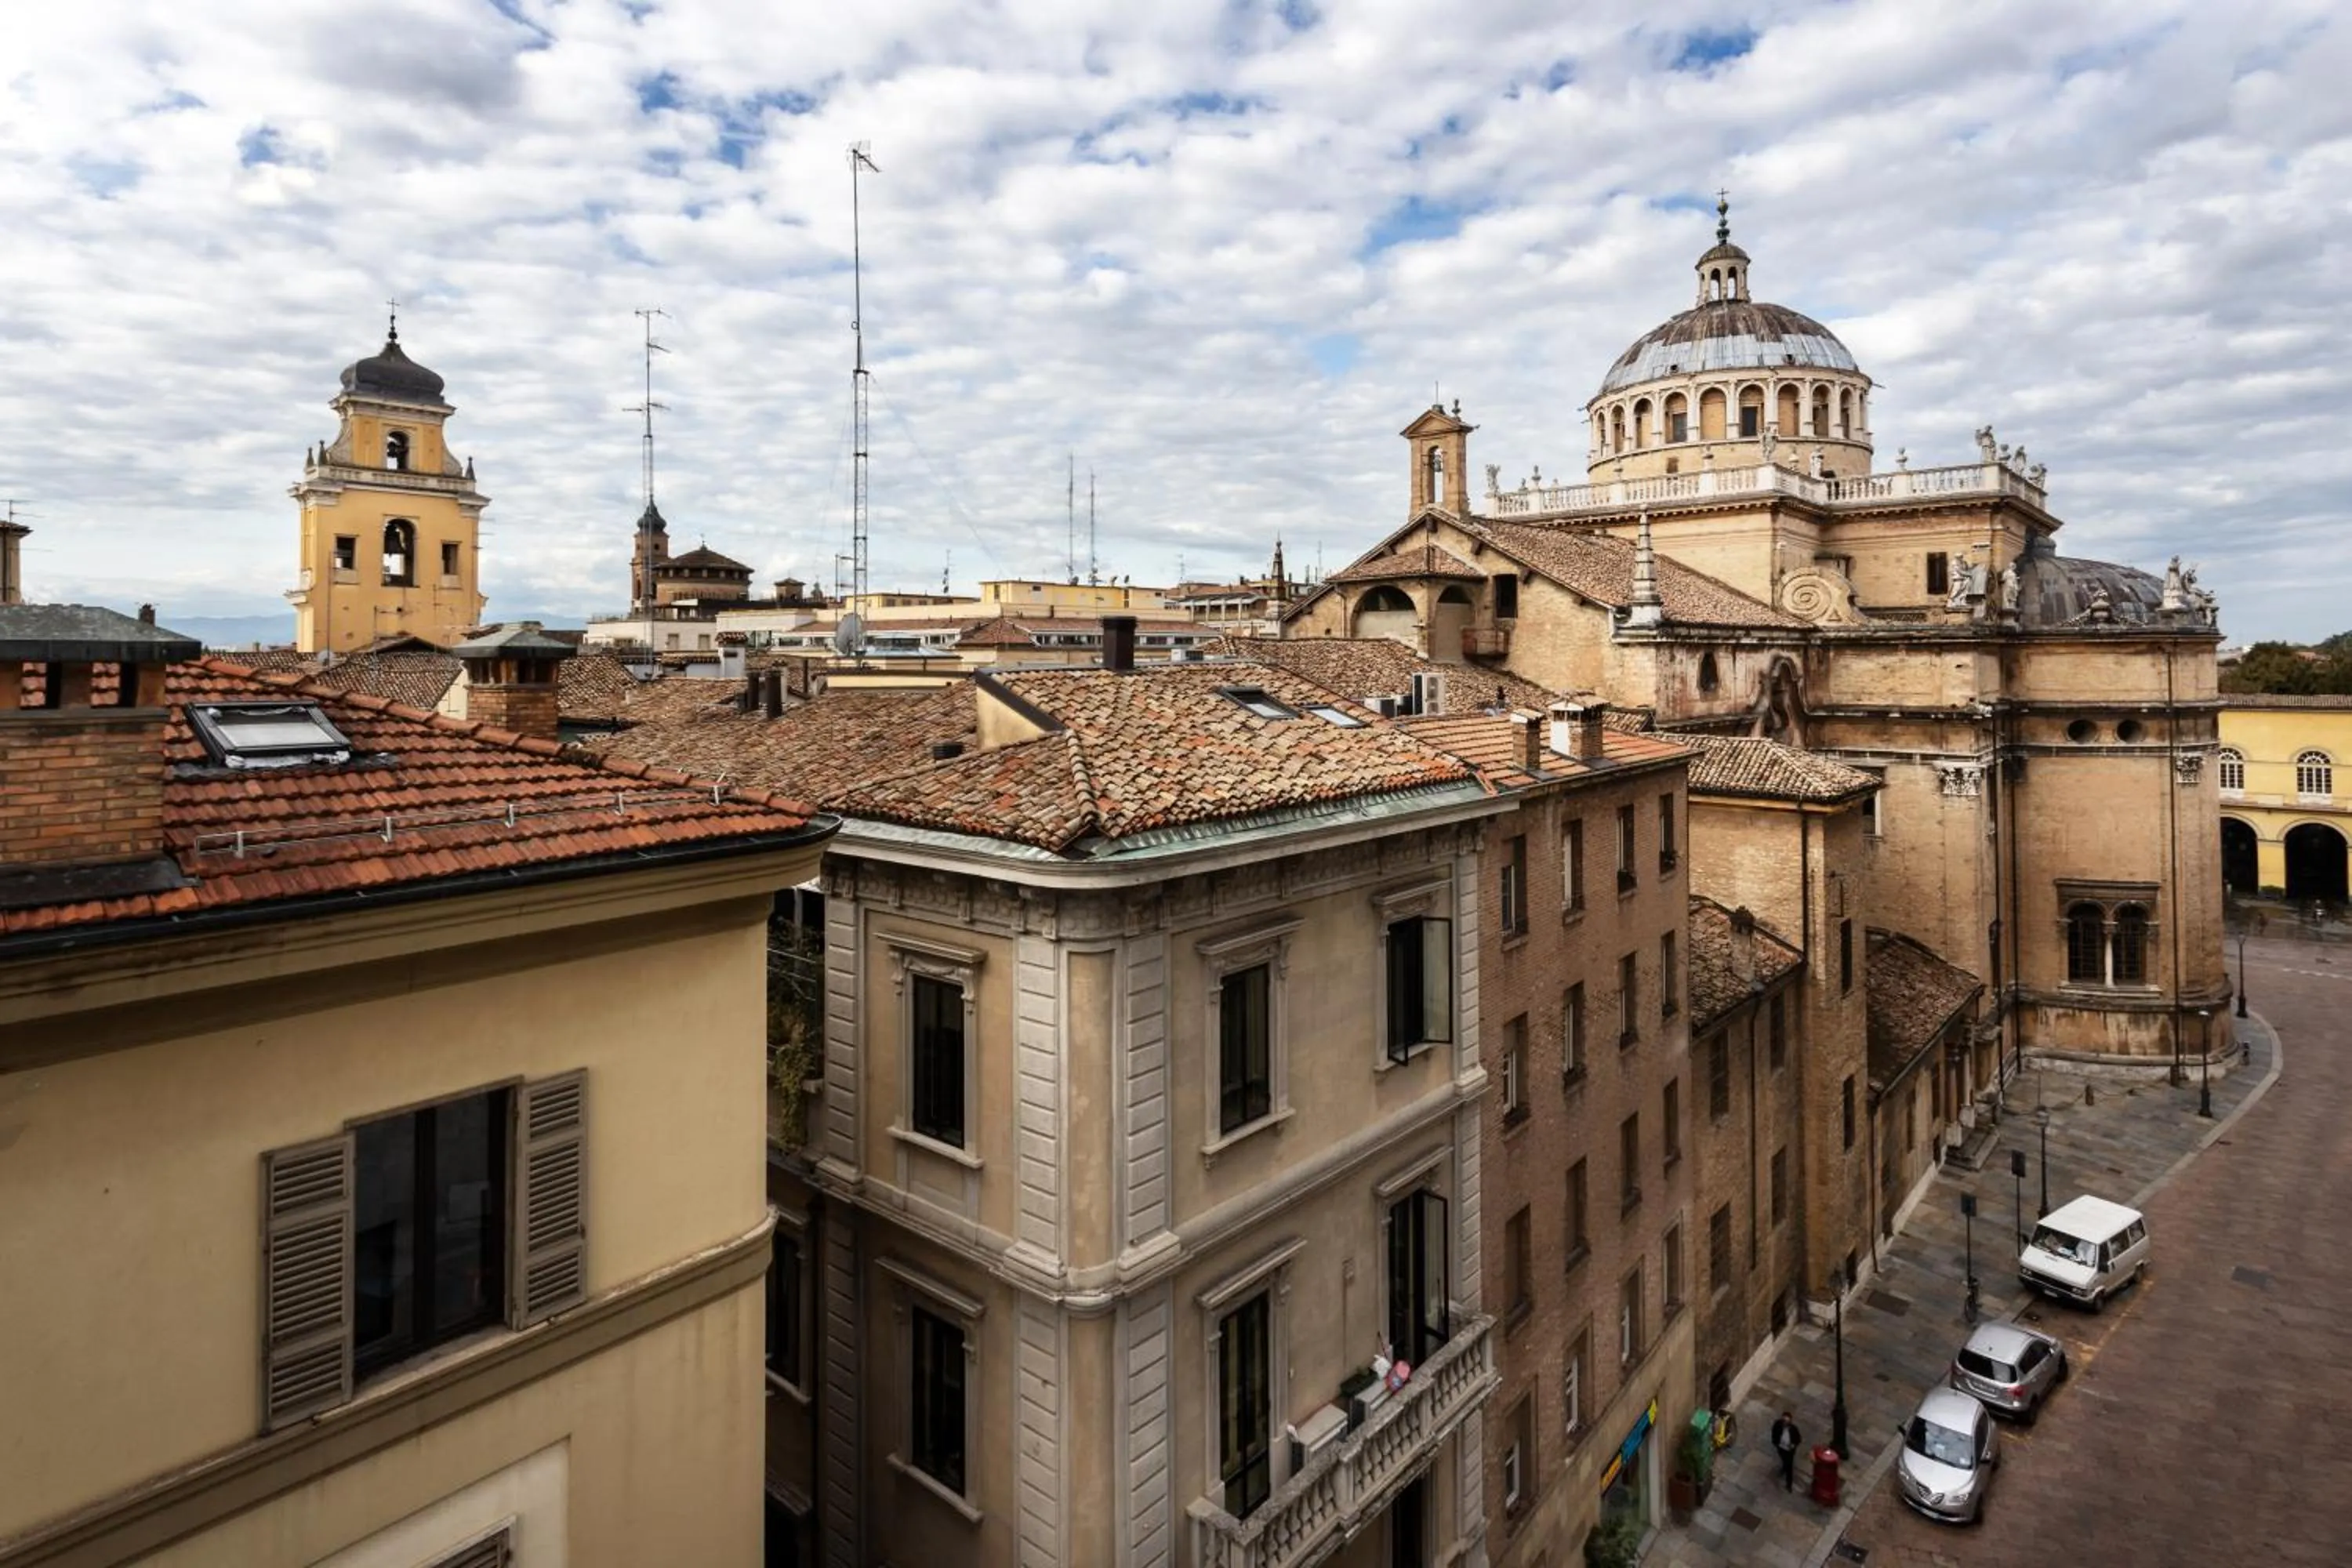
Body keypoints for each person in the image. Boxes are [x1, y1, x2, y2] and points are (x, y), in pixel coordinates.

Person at [1771, 1410, 1802, 1492]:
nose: (1785, 1423)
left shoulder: (1793, 1429)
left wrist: (1793, 1445)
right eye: (1784, 1421)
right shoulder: (1778, 1425)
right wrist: (1775, 1442)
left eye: (1787, 1422)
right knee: (1784, 1459)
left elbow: (1798, 1439)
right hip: (1781, 1448)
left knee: (1790, 1467)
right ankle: (1784, 1468)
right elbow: (1774, 1433)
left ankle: (1789, 1484)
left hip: (1789, 1451)